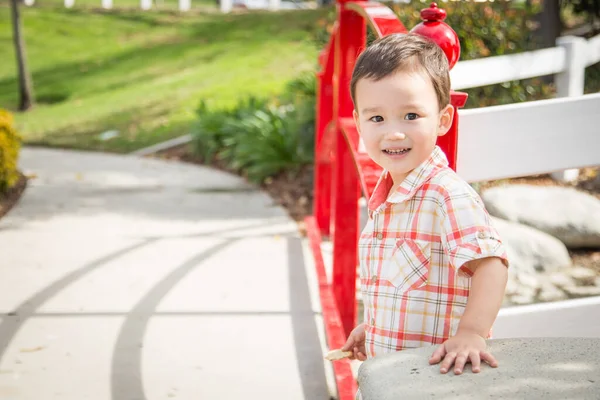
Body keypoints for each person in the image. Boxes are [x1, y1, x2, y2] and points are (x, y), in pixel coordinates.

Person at [341, 32, 510, 382]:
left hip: (435, 377)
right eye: (377, 119)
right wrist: (372, 329)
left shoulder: (446, 195)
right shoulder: (386, 199)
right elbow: (404, 287)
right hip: (393, 376)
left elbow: (491, 267)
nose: (394, 133)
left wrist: (472, 332)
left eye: (411, 115)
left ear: (443, 119)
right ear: (358, 123)